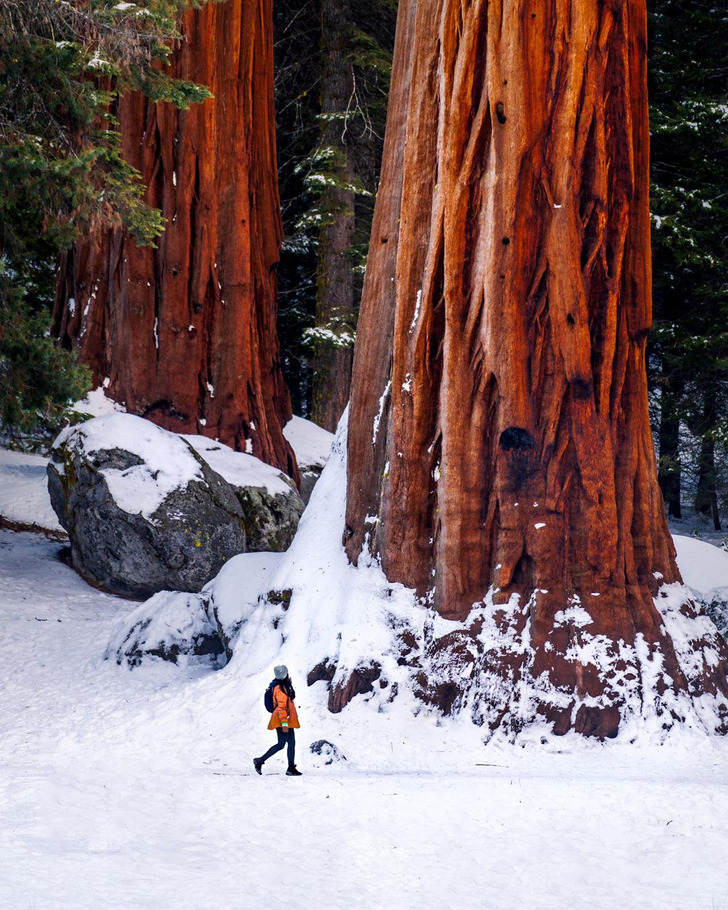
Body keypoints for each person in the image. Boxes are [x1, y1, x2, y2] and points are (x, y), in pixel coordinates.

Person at [254, 665, 302, 776]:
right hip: (282, 719)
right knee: (281, 744)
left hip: (287, 719)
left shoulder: (285, 685)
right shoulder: (279, 688)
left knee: (291, 743)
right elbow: (281, 708)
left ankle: (291, 768)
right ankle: (259, 760)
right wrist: (284, 724)